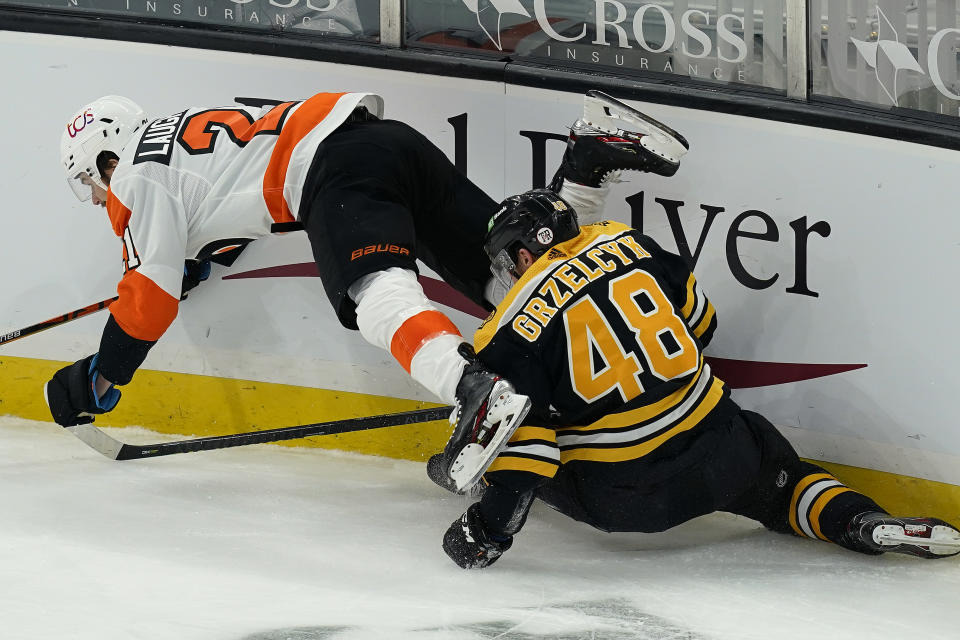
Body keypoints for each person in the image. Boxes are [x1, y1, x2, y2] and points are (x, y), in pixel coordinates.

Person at [45, 89, 687, 488]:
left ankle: (476, 394)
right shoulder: (184, 131)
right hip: (385, 143)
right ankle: (588, 159)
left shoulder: (134, 179)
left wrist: (101, 377)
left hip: (337, 176)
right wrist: (196, 263)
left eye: (92, 184)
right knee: (516, 282)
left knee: (377, 293)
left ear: (104, 158)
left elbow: (146, 295)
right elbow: (229, 208)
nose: (101, 197)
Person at [439, 188, 960, 568]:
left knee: (507, 431)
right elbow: (702, 325)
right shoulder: (629, 242)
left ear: (523, 254)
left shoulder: (503, 333)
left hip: (625, 494)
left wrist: (486, 533)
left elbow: (528, 456)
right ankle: (858, 522)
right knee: (783, 485)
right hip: (721, 449)